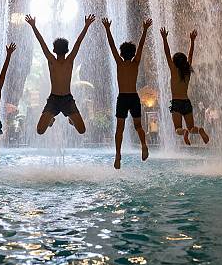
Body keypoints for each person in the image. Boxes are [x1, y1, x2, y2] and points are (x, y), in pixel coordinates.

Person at [25, 13, 95, 135]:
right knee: (40, 131)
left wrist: (87, 26)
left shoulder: (69, 60)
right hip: (53, 100)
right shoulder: (52, 60)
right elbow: (42, 43)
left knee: (82, 130)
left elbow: (78, 42)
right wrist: (33, 26)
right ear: (66, 50)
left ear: (55, 49)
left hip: (68, 99)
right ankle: (51, 118)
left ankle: (70, 119)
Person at [102, 17, 152, 168]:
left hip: (123, 97)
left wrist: (108, 29)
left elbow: (111, 46)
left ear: (121, 53)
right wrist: (144, 30)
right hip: (133, 97)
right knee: (138, 126)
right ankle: (144, 145)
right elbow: (142, 46)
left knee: (120, 128)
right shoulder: (136, 62)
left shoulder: (119, 62)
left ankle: (118, 155)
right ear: (133, 53)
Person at [160, 28, 209, 145]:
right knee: (192, 128)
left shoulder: (173, 70)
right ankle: (200, 130)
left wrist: (164, 39)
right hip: (186, 102)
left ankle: (184, 133)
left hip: (176, 102)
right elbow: (190, 55)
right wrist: (192, 41)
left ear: (174, 62)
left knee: (178, 129)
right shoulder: (187, 71)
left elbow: (167, 53)